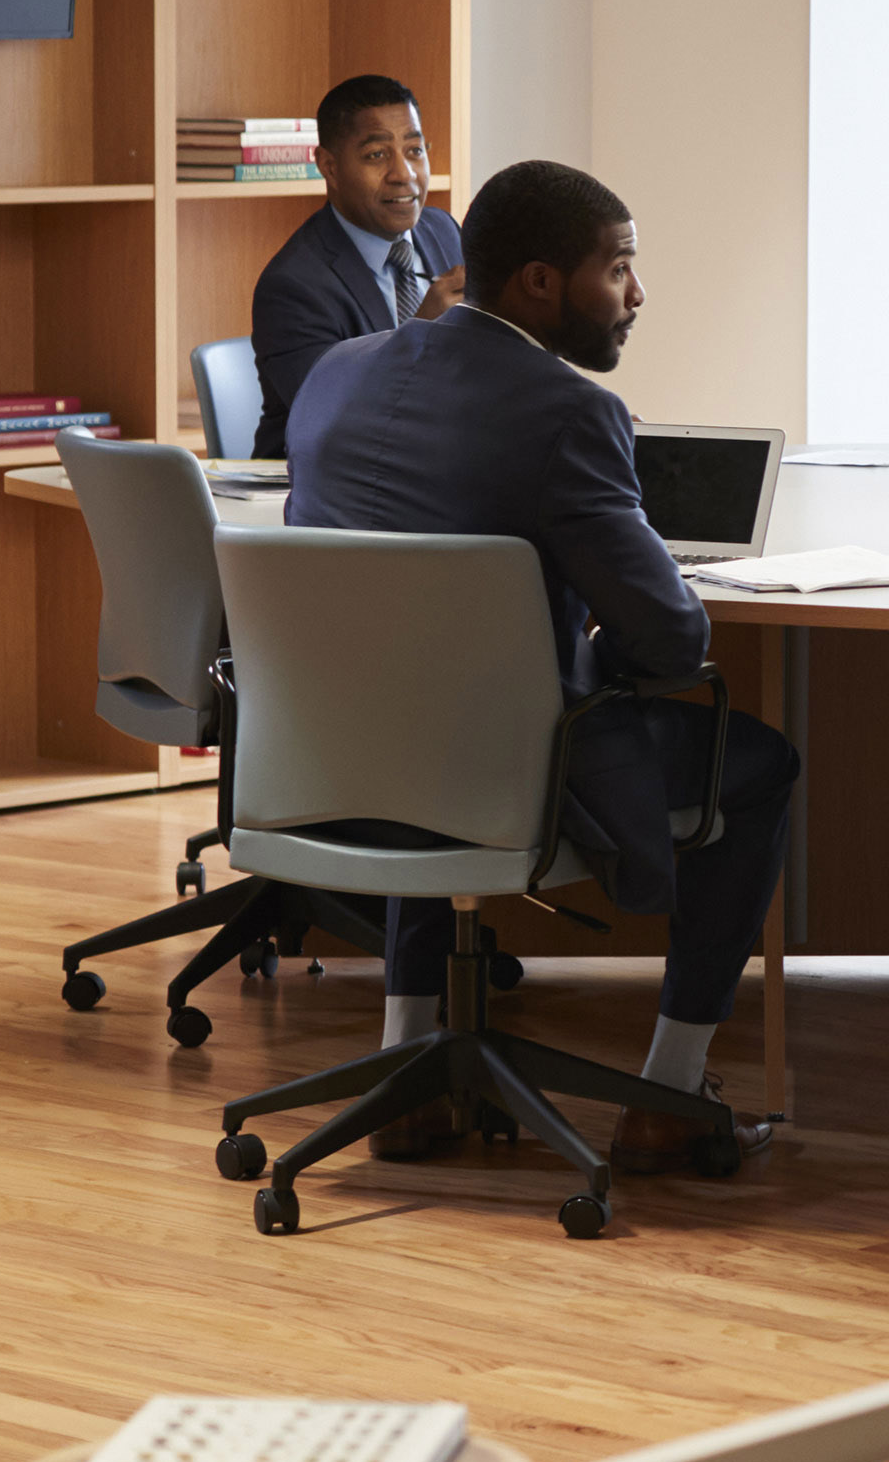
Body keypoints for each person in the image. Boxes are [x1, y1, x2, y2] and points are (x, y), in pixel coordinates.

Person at [282, 159, 798, 1174]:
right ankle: (669, 1090)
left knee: (425, 720)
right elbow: (675, 643)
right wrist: (581, 641)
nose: (638, 296)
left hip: (330, 766)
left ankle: (404, 1074)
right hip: (501, 776)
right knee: (758, 763)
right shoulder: (570, 414)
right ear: (538, 283)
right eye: (619, 269)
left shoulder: (338, 372)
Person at [246, 72, 465, 459]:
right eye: (377, 156)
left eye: (415, 150)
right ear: (329, 166)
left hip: (433, 470)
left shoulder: (442, 231)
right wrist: (421, 332)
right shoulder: (293, 285)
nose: (405, 175)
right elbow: (332, 420)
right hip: (323, 495)